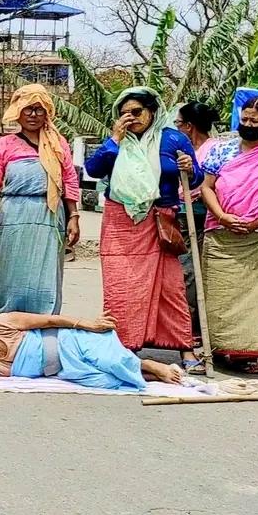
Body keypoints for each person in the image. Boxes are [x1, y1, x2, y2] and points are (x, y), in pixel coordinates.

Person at [85, 87, 205, 373]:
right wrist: (115, 138)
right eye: (124, 113)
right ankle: (123, 345)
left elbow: (197, 176)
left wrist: (189, 168)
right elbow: (93, 169)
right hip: (120, 220)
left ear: (153, 111)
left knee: (170, 287)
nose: (131, 117)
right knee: (121, 286)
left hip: (160, 220)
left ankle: (185, 350)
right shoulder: (116, 141)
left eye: (137, 112)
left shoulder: (173, 138)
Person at [0, 84, 81, 315]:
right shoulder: (4, 145)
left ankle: (44, 326)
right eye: (28, 109)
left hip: (49, 215)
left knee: (46, 279)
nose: (33, 115)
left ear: (47, 112)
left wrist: (74, 216)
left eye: (39, 109)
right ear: (18, 111)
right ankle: (8, 326)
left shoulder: (59, 144)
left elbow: (69, 180)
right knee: (11, 276)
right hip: (15, 215)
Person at [198, 97, 258, 374]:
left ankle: (244, 353)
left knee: (253, 300)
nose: (247, 125)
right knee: (217, 297)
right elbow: (207, 187)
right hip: (220, 234)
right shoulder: (222, 150)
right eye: (245, 119)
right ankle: (217, 350)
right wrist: (223, 216)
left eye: (254, 121)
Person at [0, 310, 184, 389]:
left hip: (68, 341)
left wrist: (88, 324)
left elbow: (48, 320)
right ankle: (150, 373)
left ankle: (149, 365)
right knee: (108, 381)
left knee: (108, 360)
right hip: (64, 370)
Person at [173, 101, 222, 340]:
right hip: (181, 212)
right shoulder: (182, 148)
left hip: (199, 214)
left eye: (178, 124)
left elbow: (208, 184)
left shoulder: (213, 149)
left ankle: (192, 325)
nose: (176, 128)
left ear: (189, 126)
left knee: (190, 270)